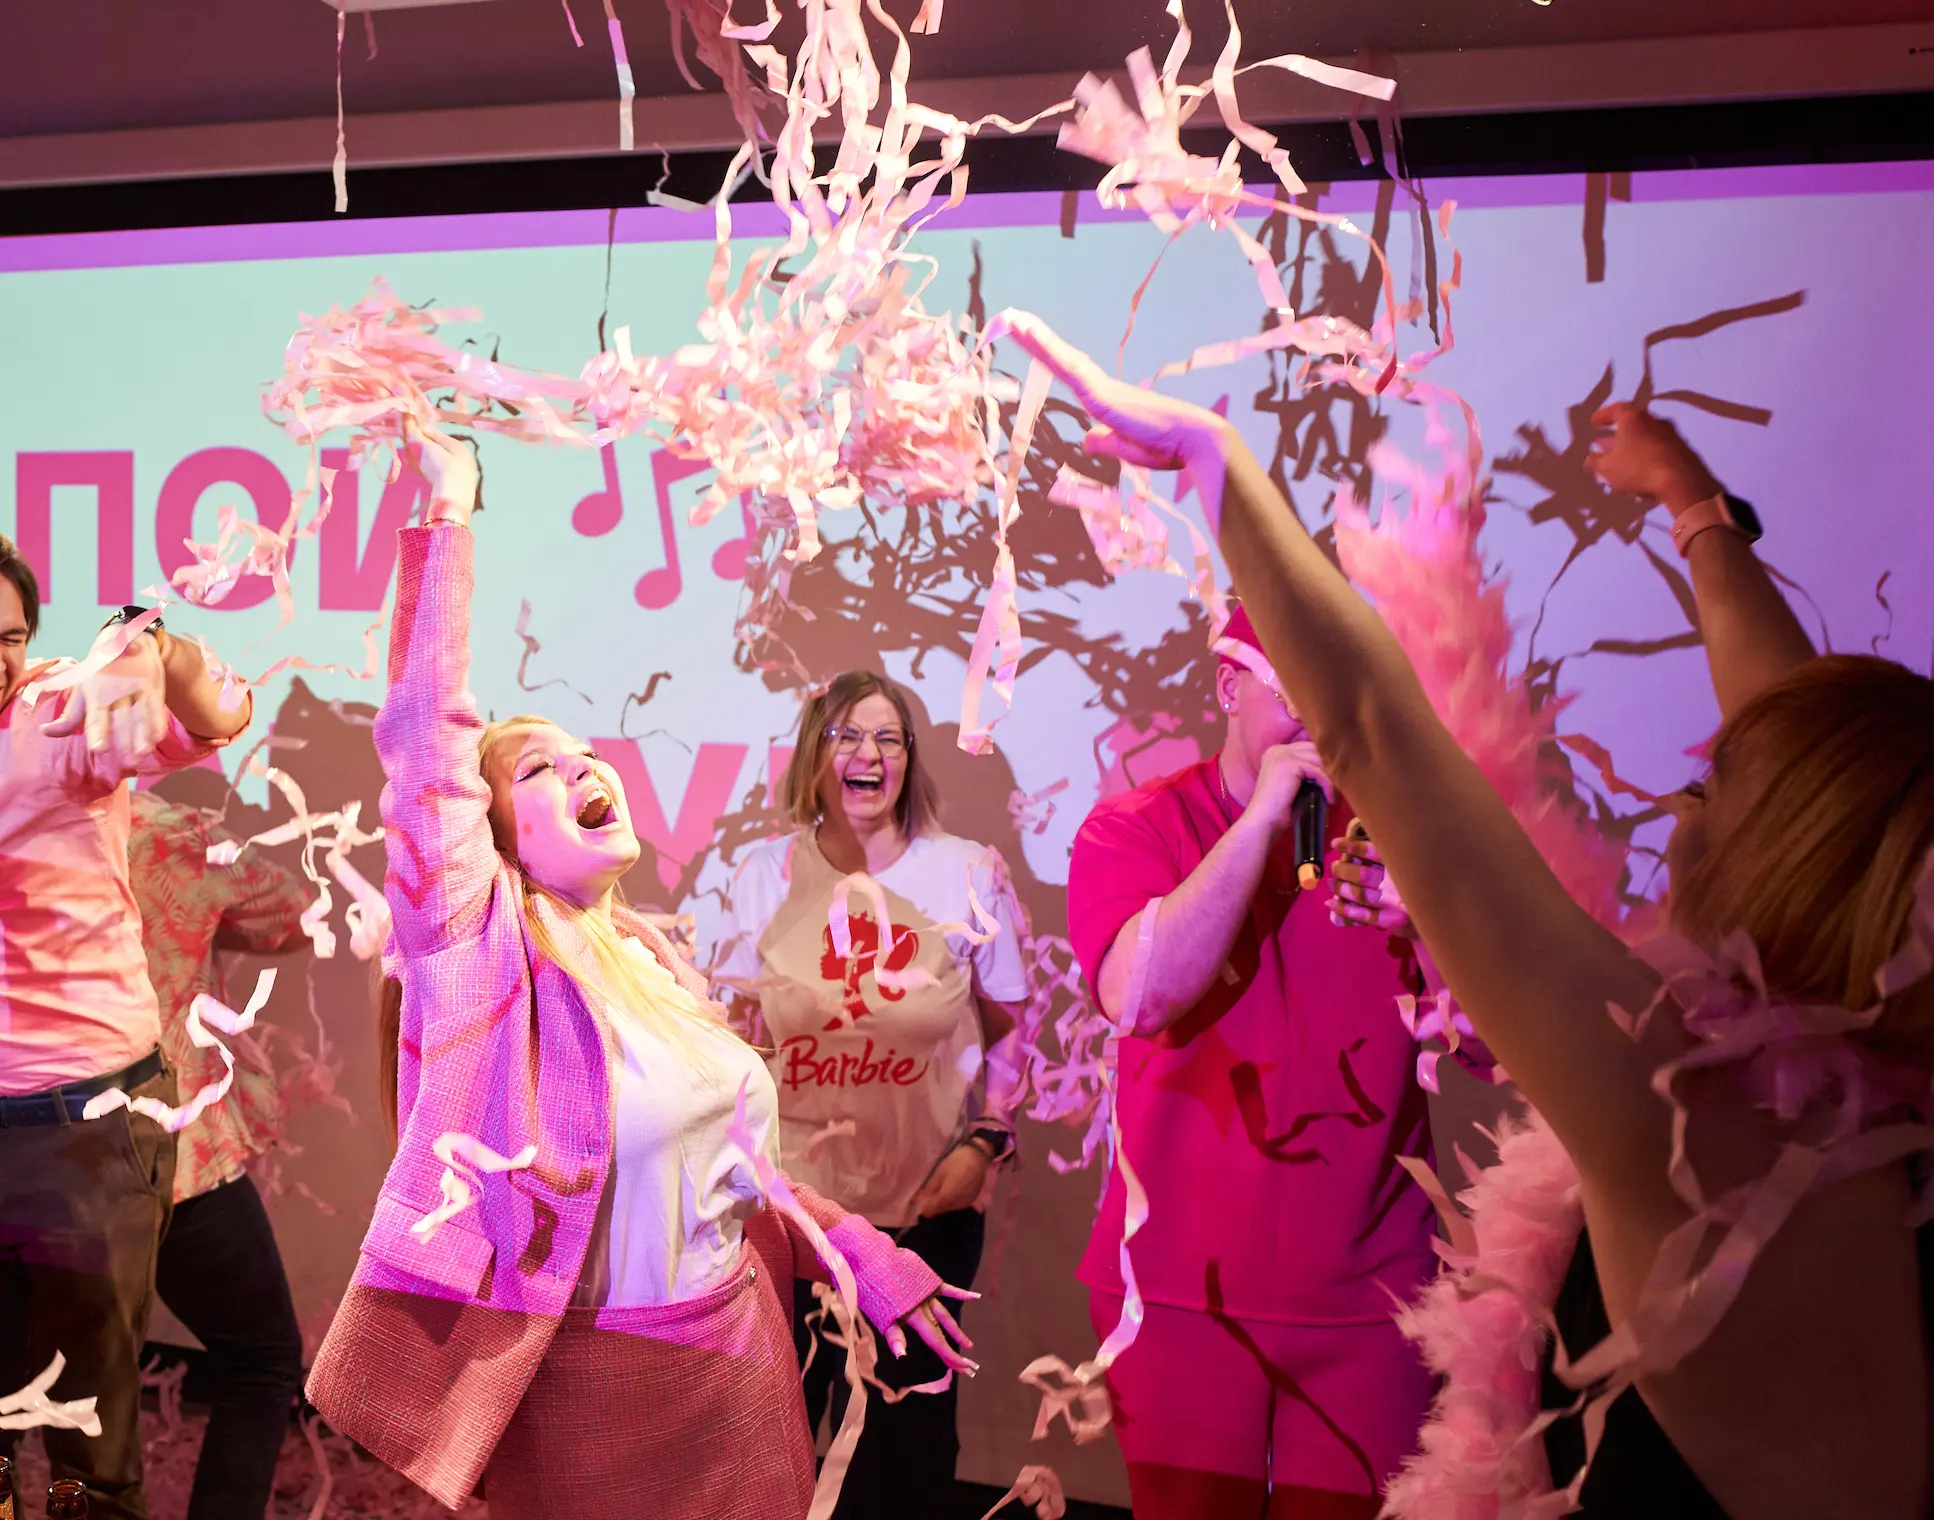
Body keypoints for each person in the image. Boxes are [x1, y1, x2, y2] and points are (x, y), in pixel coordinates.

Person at [1006, 311, 1934, 1520]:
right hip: (1193, 1300)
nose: (1675, 797)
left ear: (1787, 866)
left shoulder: (1693, 1118)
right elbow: (1813, 760)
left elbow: (1371, 725)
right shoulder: (1863, 1123)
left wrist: (1214, 460)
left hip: (1361, 1300)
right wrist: (1691, 504)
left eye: (1710, 786)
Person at [304, 423, 975, 1518]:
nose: (585, 765)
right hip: (601, 1404)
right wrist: (450, 504)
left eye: (587, 751)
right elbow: (426, 742)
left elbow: (732, 1167)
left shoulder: (654, 964)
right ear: (492, 834)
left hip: (745, 1373)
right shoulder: (480, 956)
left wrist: (852, 1245)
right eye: (540, 767)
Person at [1064, 601, 1438, 1520]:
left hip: (1371, 1300)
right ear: (1229, 688)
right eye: (1294, 691)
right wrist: (1261, 823)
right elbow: (1140, 996)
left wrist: (1431, 925)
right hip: (1180, 1294)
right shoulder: (1134, 827)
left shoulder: (1405, 839)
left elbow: (1497, 1047)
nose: (1318, 718)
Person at [710, 670, 1030, 1518]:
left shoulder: (966, 873)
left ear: (910, 759)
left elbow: (1014, 1026)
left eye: (889, 738)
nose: (870, 754)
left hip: (925, 1216)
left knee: (906, 1457)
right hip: (794, 1219)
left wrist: (988, 1139)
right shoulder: (763, 874)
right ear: (813, 755)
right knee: (772, 1449)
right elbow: (734, 1036)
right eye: (847, 735)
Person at [0, 535, 254, 1520]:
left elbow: (216, 712)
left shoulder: (63, 713)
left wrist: (157, 649)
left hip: (82, 1129)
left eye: (10, 636)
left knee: (85, 1447)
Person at [126, 788, 311, 1520]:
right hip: (164, 1155)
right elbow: (292, 913)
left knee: (31, 1382)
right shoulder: (154, 830)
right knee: (262, 1359)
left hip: (27, 1152)